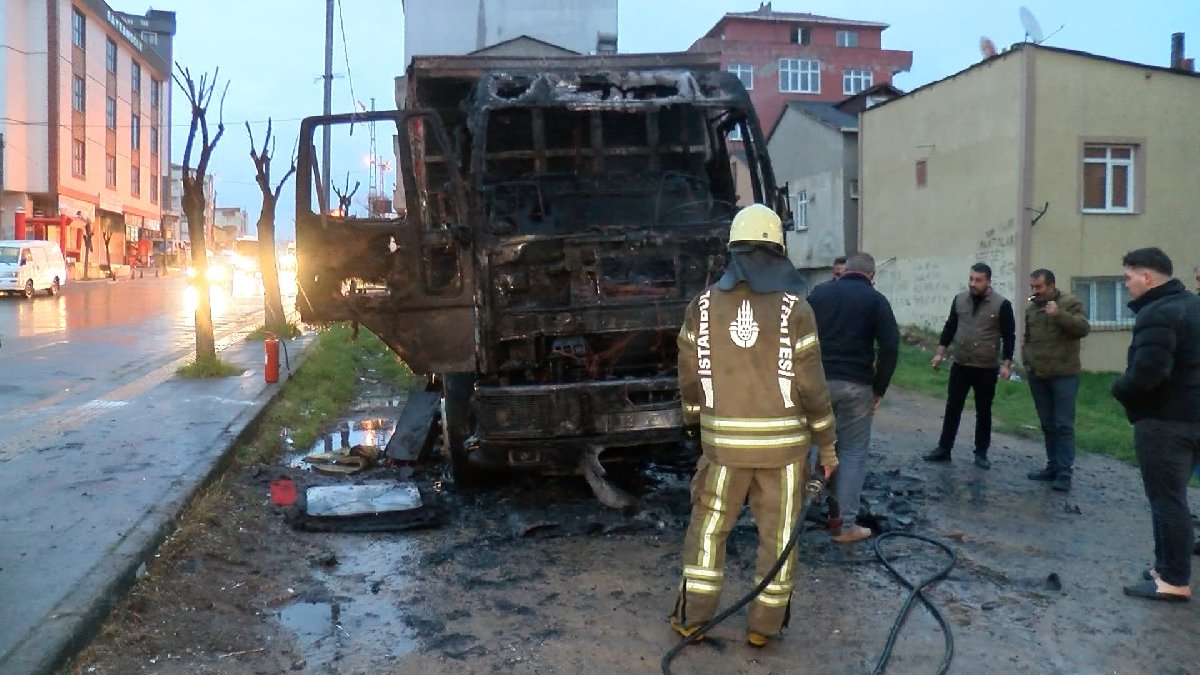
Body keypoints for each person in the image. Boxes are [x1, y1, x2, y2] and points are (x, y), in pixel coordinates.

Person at [671, 203, 838, 647]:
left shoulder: (701, 307)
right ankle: (763, 629)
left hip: (723, 452)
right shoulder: (795, 309)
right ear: (779, 252)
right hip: (784, 456)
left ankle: (693, 620)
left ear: (732, 250)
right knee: (779, 540)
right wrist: (828, 444)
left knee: (708, 535)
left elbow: (689, 376)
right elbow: (813, 387)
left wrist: (695, 423)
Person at [1110, 247, 1200, 603]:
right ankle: (1165, 569)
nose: (1126, 284)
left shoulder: (1158, 313)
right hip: (1193, 418)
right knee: (1172, 499)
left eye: (1128, 277)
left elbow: (1148, 372)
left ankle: (1174, 581)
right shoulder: (1192, 306)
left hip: (1166, 423)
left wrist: (1119, 389)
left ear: (1146, 277)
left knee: (1167, 500)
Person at [807, 252, 899, 543]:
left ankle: (795, 516)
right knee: (852, 452)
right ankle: (845, 526)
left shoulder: (819, 295)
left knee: (811, 446)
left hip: (817, 385)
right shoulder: (876, 301)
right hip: (856, 386)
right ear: (871, 275)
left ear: (845, 270)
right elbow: (890, 347)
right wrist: (878, 390)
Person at [923, 262, 1016, 469]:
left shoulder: (1002, 304)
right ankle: (944, 448)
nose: (973, 283)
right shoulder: (960, 300)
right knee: (953, 407)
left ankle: (981, 453)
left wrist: (1006, 364)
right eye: (971, 279)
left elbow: (1009, 336)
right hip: (961, 363)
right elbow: (950, 327)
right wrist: (940, 353)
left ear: (988, 281)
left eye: (978, 280)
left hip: (986, 366)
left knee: (983, 411)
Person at [1022, 269, 1090, 492]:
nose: (1035, 291)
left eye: (1039, 287)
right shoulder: (1032, 308)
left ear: (1051, 286)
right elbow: (1028, 338)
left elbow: (1082, 329)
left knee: (1063, 424)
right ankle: (1052, 466)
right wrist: (1028, 362)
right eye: (1033, 287)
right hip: (1038, 374)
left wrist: (1059, 314)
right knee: (1047, 424)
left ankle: (1064, 472)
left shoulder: (1069, 303)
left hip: (1064, 375)